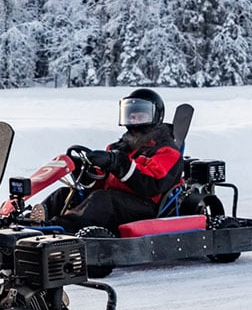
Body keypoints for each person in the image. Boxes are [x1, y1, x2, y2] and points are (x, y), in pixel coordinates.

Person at [28, 87, 184, 233]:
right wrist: (82, 168)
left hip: (146, 206)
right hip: (116, 201)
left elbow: (151, 184)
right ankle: (33, 221)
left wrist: (118, 163)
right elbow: (100, 182)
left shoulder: (166, 151)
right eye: (132, 116)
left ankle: (57, 227)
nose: (135, 120)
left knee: (103, 199)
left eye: (141, 116)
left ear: (155, 116)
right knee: (66, 193)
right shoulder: (120, 147)